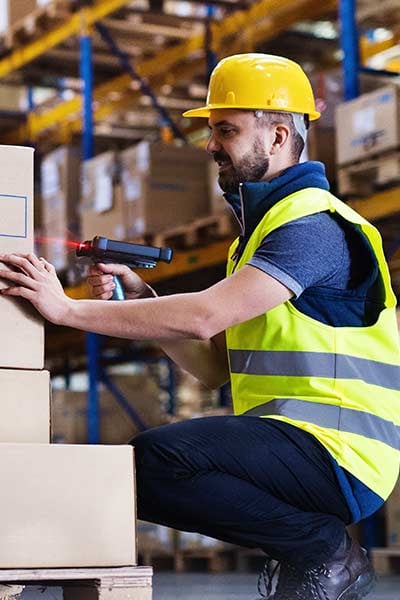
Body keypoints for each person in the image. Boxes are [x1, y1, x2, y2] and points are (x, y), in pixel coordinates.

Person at [0, 53, 398, 600]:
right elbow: (212, 367)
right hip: (299, 444)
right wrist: (145, 301)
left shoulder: (313, 226)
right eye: (211, 131)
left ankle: (320, 549)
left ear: (279, 135)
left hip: (338, 453)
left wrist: (65, 309)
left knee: (155, 461)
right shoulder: (255, 239)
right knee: (146, 468)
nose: (211, 145)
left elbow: (205, 315)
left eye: (227, 131)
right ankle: (315, 548)